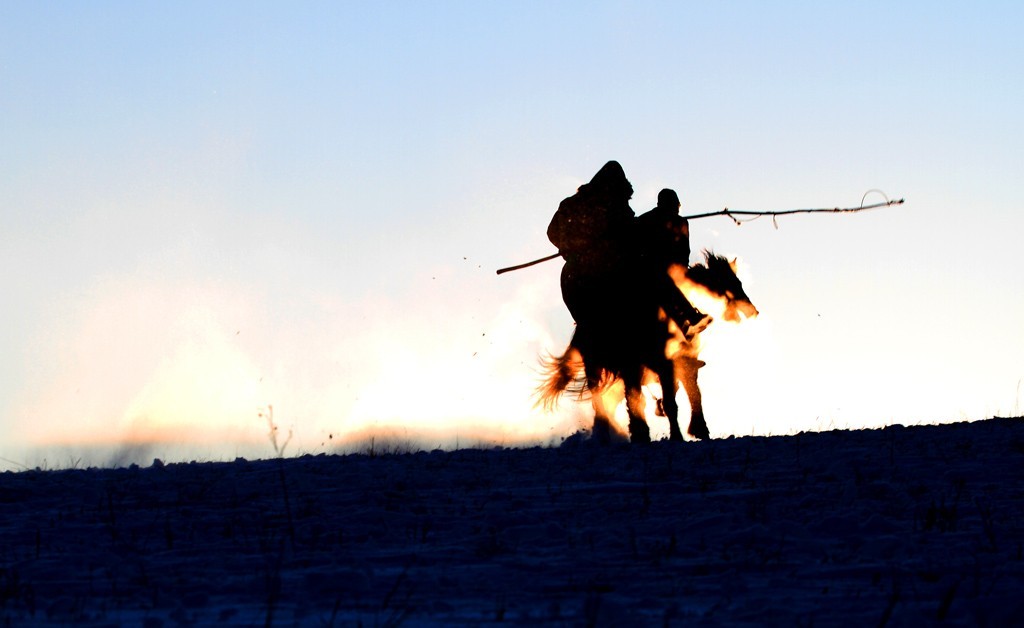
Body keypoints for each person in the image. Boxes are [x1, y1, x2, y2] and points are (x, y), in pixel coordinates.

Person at [547, 161, 635, 327]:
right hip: (604, 267)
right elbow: (630, 231)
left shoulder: (570, 203)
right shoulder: (614, 202)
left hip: (571, 274)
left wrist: (567, 247)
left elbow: (552, 232)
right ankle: (683, 315)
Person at [632, 189, 709, 336]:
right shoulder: (650, 220)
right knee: (662, 282)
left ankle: (686, 322)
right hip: (650, 268)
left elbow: (684, 252)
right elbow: (684, 250)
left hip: (668, 269)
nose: (677, 209)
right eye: (676, 205)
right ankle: (690, 317)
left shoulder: (647, 219)